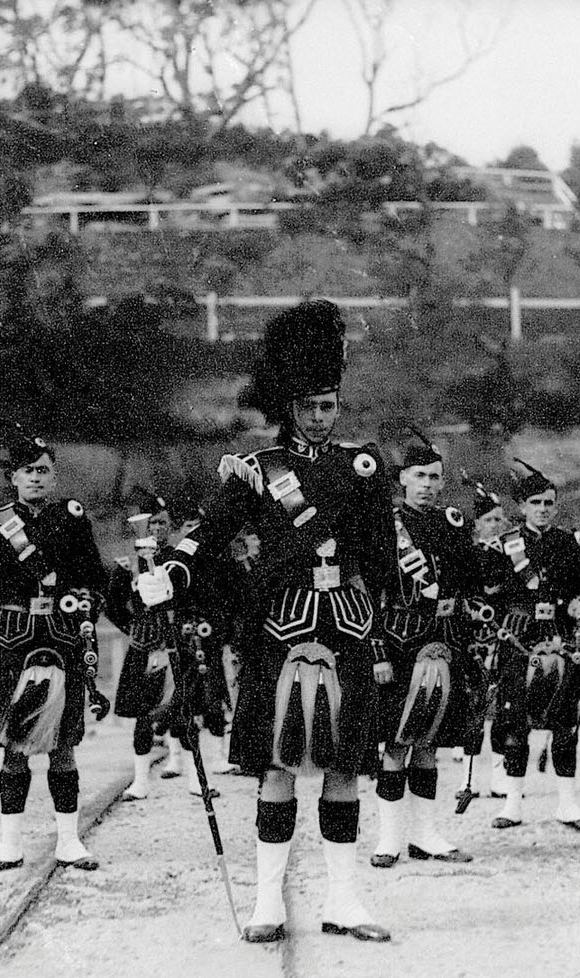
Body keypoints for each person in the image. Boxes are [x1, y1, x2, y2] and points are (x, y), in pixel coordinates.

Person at [139, 299, 397, 943]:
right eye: (308, 405)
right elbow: (208, 533)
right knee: (276, 767)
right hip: (279, 629)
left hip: (348, 629)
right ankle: (267, 903)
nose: (319, 416)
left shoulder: (362, 467)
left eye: (328, 404)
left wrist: (393, 622)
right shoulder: (257, 472)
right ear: (288, 407)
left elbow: (380, 557)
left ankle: (343, 899)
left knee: (344, 768)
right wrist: (170, 571)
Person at [0, 429, 112, 872]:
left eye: (44, 471)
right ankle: (9, 843)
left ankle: (69, 841)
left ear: (54, 475)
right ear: (13, 477)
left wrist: (86, 600)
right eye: (29, 471)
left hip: (62, 638)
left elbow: (94, 578)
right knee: (14, 743)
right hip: (10, 641)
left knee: (64, 745)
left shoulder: (72, 518)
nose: (37, 479)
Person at [484, 460, 580, 833]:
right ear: (522, 506)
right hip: (519, 640)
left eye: (548, 502)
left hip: (563, 637)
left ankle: (568, 803)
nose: (543, 509)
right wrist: (503, 623)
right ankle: (512, 803)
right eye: (535, 502)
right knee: (514, 723)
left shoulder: (571, 543)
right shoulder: (502, 547)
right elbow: (486, 596)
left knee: (565, 722)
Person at [368, 435, 478, 867]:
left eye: (435, 477)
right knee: (397, 743)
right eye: (419, 476)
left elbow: (469, 579)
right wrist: (377, 651)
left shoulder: (452, 522)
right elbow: (371, 594)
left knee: (430, 742)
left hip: (443, 640)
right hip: (398, 641)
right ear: (402, 479)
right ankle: (389, 839)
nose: (428, 484)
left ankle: (426, 835)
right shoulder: (386, 526)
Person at [108, 495, 186, 801]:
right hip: (144, 644)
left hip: (176, 641)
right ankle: (140, 781)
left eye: (161, 522)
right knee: (143, 712)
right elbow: (113, 604)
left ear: (171, 527)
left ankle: (189, 772)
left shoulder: (180, 559)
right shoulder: (129, 564)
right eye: (151, 522)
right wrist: (132, 626)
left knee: (183, 707)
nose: (155, 528)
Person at [465, 476, 509, 800]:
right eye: (489, 520)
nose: (495, 525)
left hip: (501, 634)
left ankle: (498, 774)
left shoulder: (510, 553)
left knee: (499, 704)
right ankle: (468, 776)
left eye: (499, 519)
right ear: (477, 524)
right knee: (471, 702)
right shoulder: (466, 553)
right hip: (471, 634)